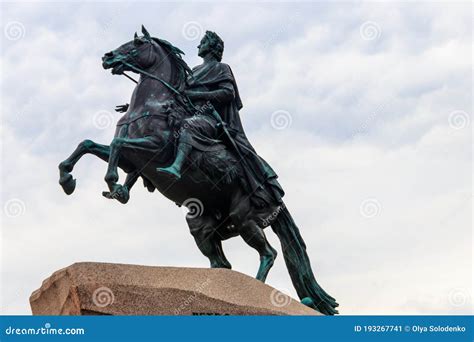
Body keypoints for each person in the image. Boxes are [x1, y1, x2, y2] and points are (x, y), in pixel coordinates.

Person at [157, 31, 284, 207]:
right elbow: (177, 94)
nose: (198, 46)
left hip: (210, 119)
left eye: (202, 42)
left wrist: (196, 94)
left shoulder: (221, 68)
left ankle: (176, 167)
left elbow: (228, 93)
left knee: (189, 125)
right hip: (191, 112)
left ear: (212, 47)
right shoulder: (193, 71)